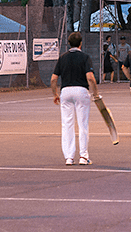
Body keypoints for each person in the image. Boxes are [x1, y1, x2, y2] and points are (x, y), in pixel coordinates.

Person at [50, 32, 99, 165]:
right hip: (81, 91)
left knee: (67, 125)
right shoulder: (85, 57)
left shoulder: (62, 58)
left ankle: (69, 157)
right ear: (80, 44)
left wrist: (55, 94)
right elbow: (90, 78)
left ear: (69, 43)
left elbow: (54, 79)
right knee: (83, 124)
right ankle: (83, 156)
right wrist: (95, 94)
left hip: (65, 91)